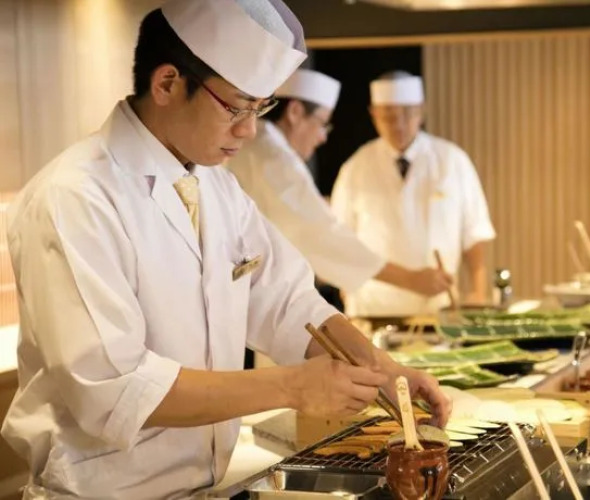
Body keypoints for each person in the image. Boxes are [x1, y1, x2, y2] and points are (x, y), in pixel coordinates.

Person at [1, 3, 451, 498]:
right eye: (236, 107)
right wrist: (293, 387)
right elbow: (115, 387)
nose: (249, 130)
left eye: (260, 108)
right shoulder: (75, 197)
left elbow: (287, 301)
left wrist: (387, 375)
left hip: (206, 485)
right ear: (167, 83)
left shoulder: (215, 186)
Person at [227, 68, 451, 310]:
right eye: (322, 123)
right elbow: (321, 234)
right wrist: (409, 279)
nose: (323, 137)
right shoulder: (272, 156)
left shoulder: (450, 158)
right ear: (295, 112)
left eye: (407, 114)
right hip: (371, 300)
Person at [331, 71, 496, 317]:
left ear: (421, 111)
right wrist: (345, 289)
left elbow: (474, 233)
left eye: (407, 113)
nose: (398, 125)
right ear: (374, 114)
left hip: (438, 307)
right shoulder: (355, 168)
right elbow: (340, 240)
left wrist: (478, 293)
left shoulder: (452, 161)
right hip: (373, 307)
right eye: (388, 116)